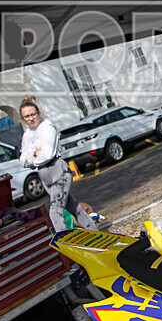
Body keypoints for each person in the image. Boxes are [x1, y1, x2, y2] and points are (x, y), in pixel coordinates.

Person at [19, 96, 97, 232]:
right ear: (23, 118)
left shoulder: (48, 128)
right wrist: (34, 155)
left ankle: (64, 238)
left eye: (33, 114)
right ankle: (94, 231)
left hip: (58, 170)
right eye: (27, 116)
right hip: (44, 175)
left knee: (55, 211)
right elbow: (23, 159)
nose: (31, 118)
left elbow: (47, 154)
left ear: (38, 113)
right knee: (73, 207)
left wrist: (33, 157)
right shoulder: (27, 135)